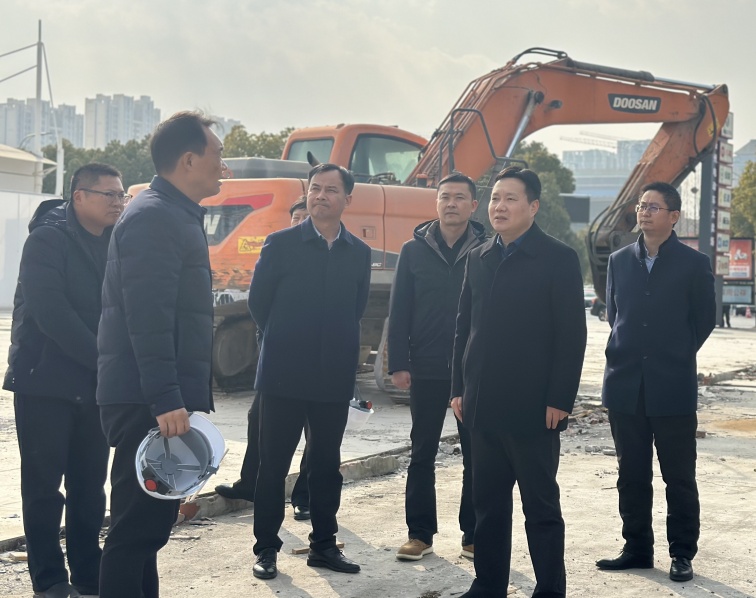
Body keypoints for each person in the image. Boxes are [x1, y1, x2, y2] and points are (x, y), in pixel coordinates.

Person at [96, 111, 225, 598]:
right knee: (135, 531)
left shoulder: (172, 213)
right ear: (188, 160)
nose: (224, 166)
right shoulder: (155, 217)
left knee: (149, 531)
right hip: (147, 400)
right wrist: (166, 397)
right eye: (217, 155)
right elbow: (147, 319)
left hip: (153, 397)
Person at [451, 166, 586, 597]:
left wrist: (560, 398)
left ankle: (550, 589)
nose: (500, 206)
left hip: (535, 409)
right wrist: (458, 389)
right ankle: (488, 584)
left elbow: (571, 335)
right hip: (483, 405)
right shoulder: (478, 257)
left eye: (510, 198)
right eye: (495, 198)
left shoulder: (558, 258)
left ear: (533, 206)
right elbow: (463, 328)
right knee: (488, 506)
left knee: (540, 507)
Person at [4, 163, 125, 598]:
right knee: (43, 487)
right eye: (109, 195)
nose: (118, 202)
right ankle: (50, 579)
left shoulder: (116, 242)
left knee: (90, 486)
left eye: (121, 195)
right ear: (79, 196)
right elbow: (51, 312)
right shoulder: (46, 239)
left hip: (94, 384)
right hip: (44, 382)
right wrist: (104, 360)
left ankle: (88, 573)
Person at [249, 163, 371, 580]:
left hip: (332, 376)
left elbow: (355, 309)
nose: (321, 196)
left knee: (325, 465)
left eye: (331, 190)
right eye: (315, 188)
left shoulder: (359, 252)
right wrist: (283, 340)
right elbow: (259, 304)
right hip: (282, 375)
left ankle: (323, 545)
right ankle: (266, 548)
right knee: (273, 465)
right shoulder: (280, 244)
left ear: (347, 199)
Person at [596, 182, 716, 583]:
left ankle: (682, 553)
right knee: (631, 473)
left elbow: (704, 320)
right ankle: (636, 549)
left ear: (674, 216)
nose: (644, 212)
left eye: (653, 207)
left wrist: (675, 352)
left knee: (678, 476)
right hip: (625, 384)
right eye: (641, 206)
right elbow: (615, 316)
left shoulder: (694, 264)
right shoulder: (619, 261)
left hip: (672, 385)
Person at [388, 172, 485, 561]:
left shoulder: (487, 249)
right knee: (422, 451)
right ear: (437, 203)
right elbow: (399, 309)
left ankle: (473, 535)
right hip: (426, 365)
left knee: (476, 455)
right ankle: (420, 534)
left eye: (459, 197)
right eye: (445, 197)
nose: (451, 203)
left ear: (473, 205)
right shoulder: (413, 251)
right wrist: (399, 362)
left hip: (472, 368)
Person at [215, 197, 311, 521]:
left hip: (318, 362)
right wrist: (269, 338)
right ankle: (250, 484)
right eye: (296, 217)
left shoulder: (330, 256)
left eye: (306, 217)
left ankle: (305, 496)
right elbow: (259, 302)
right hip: (278, 359)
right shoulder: (278, 251)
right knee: (258, 418)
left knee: (314, 431)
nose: (301, 223)